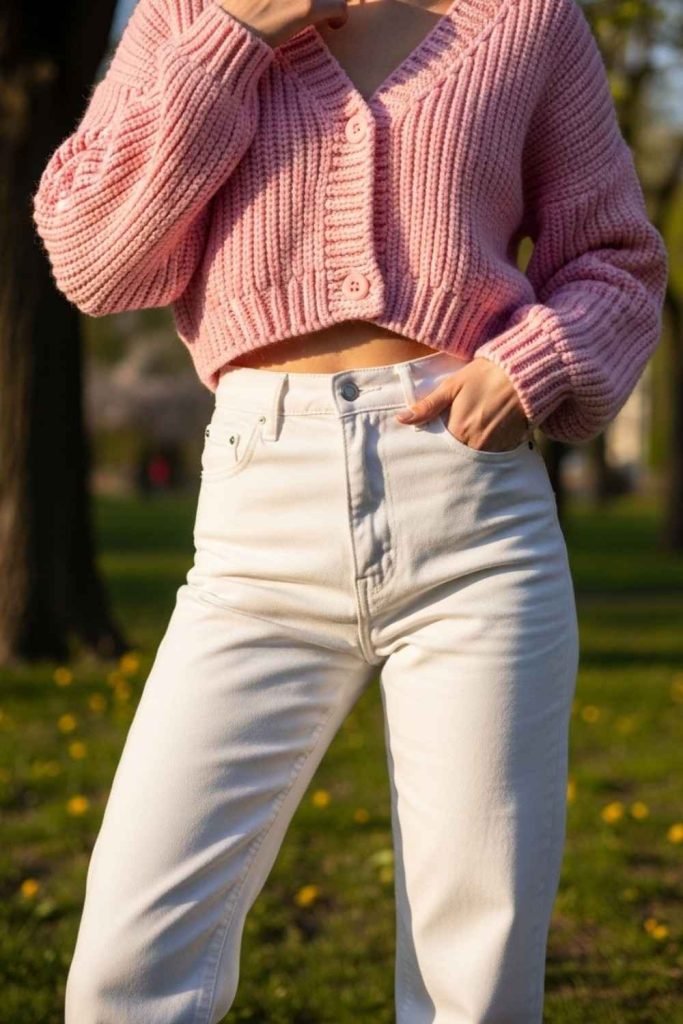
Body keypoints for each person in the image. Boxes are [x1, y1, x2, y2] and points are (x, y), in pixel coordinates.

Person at [32, 0, 668, 1020]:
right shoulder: (189, 11)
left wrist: (535, 363)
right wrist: (235, 36)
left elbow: (615, 260)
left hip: (470, 518)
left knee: (475, 986)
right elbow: (93, 257)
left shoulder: (525, 18)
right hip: (253, 529)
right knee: (125, 969)